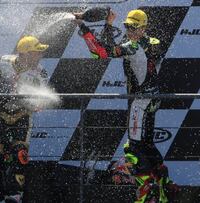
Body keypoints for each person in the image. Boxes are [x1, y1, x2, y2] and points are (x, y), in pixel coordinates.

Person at [73, 9, 179, 202]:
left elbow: (101, 53)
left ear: (143, 27)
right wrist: (108, 26)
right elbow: (115, 46)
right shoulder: (151, 42)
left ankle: (145, 195)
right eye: (127, 26)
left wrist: (83, 28)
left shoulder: (134, 46)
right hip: (152, 99)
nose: (130, 30)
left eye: (134, 27)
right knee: (146, 146)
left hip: (140, 102)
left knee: (133, 150)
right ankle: (164, 188)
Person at [0, 36, 49, 203]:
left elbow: (44, 94)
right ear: (25, 54)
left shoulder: (40, 71)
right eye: (37, 52)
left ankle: (16, 195)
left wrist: (38, 102)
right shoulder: (1, 62)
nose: (40, 56)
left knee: (20, 154)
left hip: (22, 114)